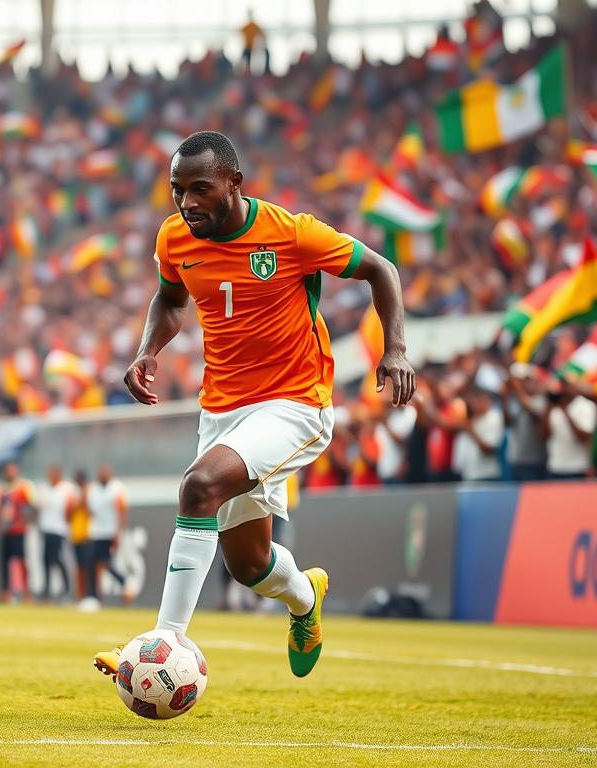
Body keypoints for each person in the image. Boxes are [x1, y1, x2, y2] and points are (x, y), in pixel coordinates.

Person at [94, 131, 414, 680]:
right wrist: (148, 350)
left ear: (234, 183)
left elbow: (381, 270)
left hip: (295, 403)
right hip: (222, 410)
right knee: (248, 566)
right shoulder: (175, 238)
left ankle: (163, 644)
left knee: (198, 486)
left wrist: (397, 350)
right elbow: (171, 300)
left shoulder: (291, 234)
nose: (187, 203)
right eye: (177, 190)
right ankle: (305, 600)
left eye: (200, 189)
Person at [0, 462, 35, 604]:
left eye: (12, 471)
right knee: (4, 563)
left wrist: (25, 522)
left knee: (21, 561)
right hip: (6, 530)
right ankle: (5, 593)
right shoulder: (2, 490)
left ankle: (27, 593)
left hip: (19, 530)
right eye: (7, 471)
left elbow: (31, 508)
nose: (9, 473)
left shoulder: (24, 488)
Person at [86, 464, 131, 607]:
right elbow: (90, 510)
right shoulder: (93, 489)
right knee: (92, 564)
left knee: (106, 562)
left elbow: (122, 512)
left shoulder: (117, 489)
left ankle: (124, 581)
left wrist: (119, 533)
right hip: (95, 532)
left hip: (109, 532)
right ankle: (93, 597)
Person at [541, 378, 597, 480]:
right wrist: (549, 405)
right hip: (555, 467)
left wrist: (565, 412)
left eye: (567, 384)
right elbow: (543, 436)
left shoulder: (586, 406)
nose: (564, 388)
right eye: (562, 384)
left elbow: (583, 438)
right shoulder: (553, 406)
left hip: (578, 469)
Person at [503, 364, 548, 481]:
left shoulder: (541, 398)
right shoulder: (514, 400)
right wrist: (504, 398)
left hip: (535, 459)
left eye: (522, 381)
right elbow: (507, 422)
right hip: (516, 459)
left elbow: (536, 413)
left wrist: (518, 390)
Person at [450, 386, 504, 482]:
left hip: (487, 475)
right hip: (468, 475)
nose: (474, 405)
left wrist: (471, 432)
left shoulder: (494, 417)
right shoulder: (471, 419)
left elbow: (489, 449)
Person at [36, 465, 72, 601]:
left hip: (60, 529)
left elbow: (70, 509)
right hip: (46, 529)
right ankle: (46, 590)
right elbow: (39, 507)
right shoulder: (43, 488)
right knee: (45, 560)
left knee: (57, 559)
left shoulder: (66, 489)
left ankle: (66, 590)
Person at [67, 470, 93, 603]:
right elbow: (67, 513)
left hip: (89, 536)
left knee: (89, 568)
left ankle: (90, 597)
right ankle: (80, 597)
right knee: (79, 568)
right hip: (76, 536)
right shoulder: (73, 494)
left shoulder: (91, 492)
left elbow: (91, 511)